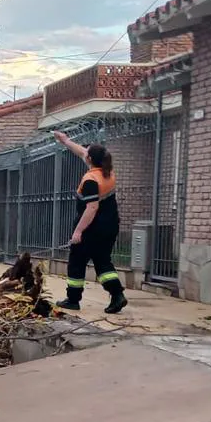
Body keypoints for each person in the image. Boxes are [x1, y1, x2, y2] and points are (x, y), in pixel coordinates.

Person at [52, 131, 128, 314]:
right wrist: (66, 141)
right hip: (110, 225)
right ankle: (117, 295)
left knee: (77, 261)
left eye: (87, 153)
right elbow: (82, 152)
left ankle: (73, 299)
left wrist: (78, 232)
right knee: (103, 261)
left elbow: (91, 208)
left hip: (91, 227)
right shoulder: (107, 173)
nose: (84, 153)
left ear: (90, 159)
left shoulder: (91, 180)